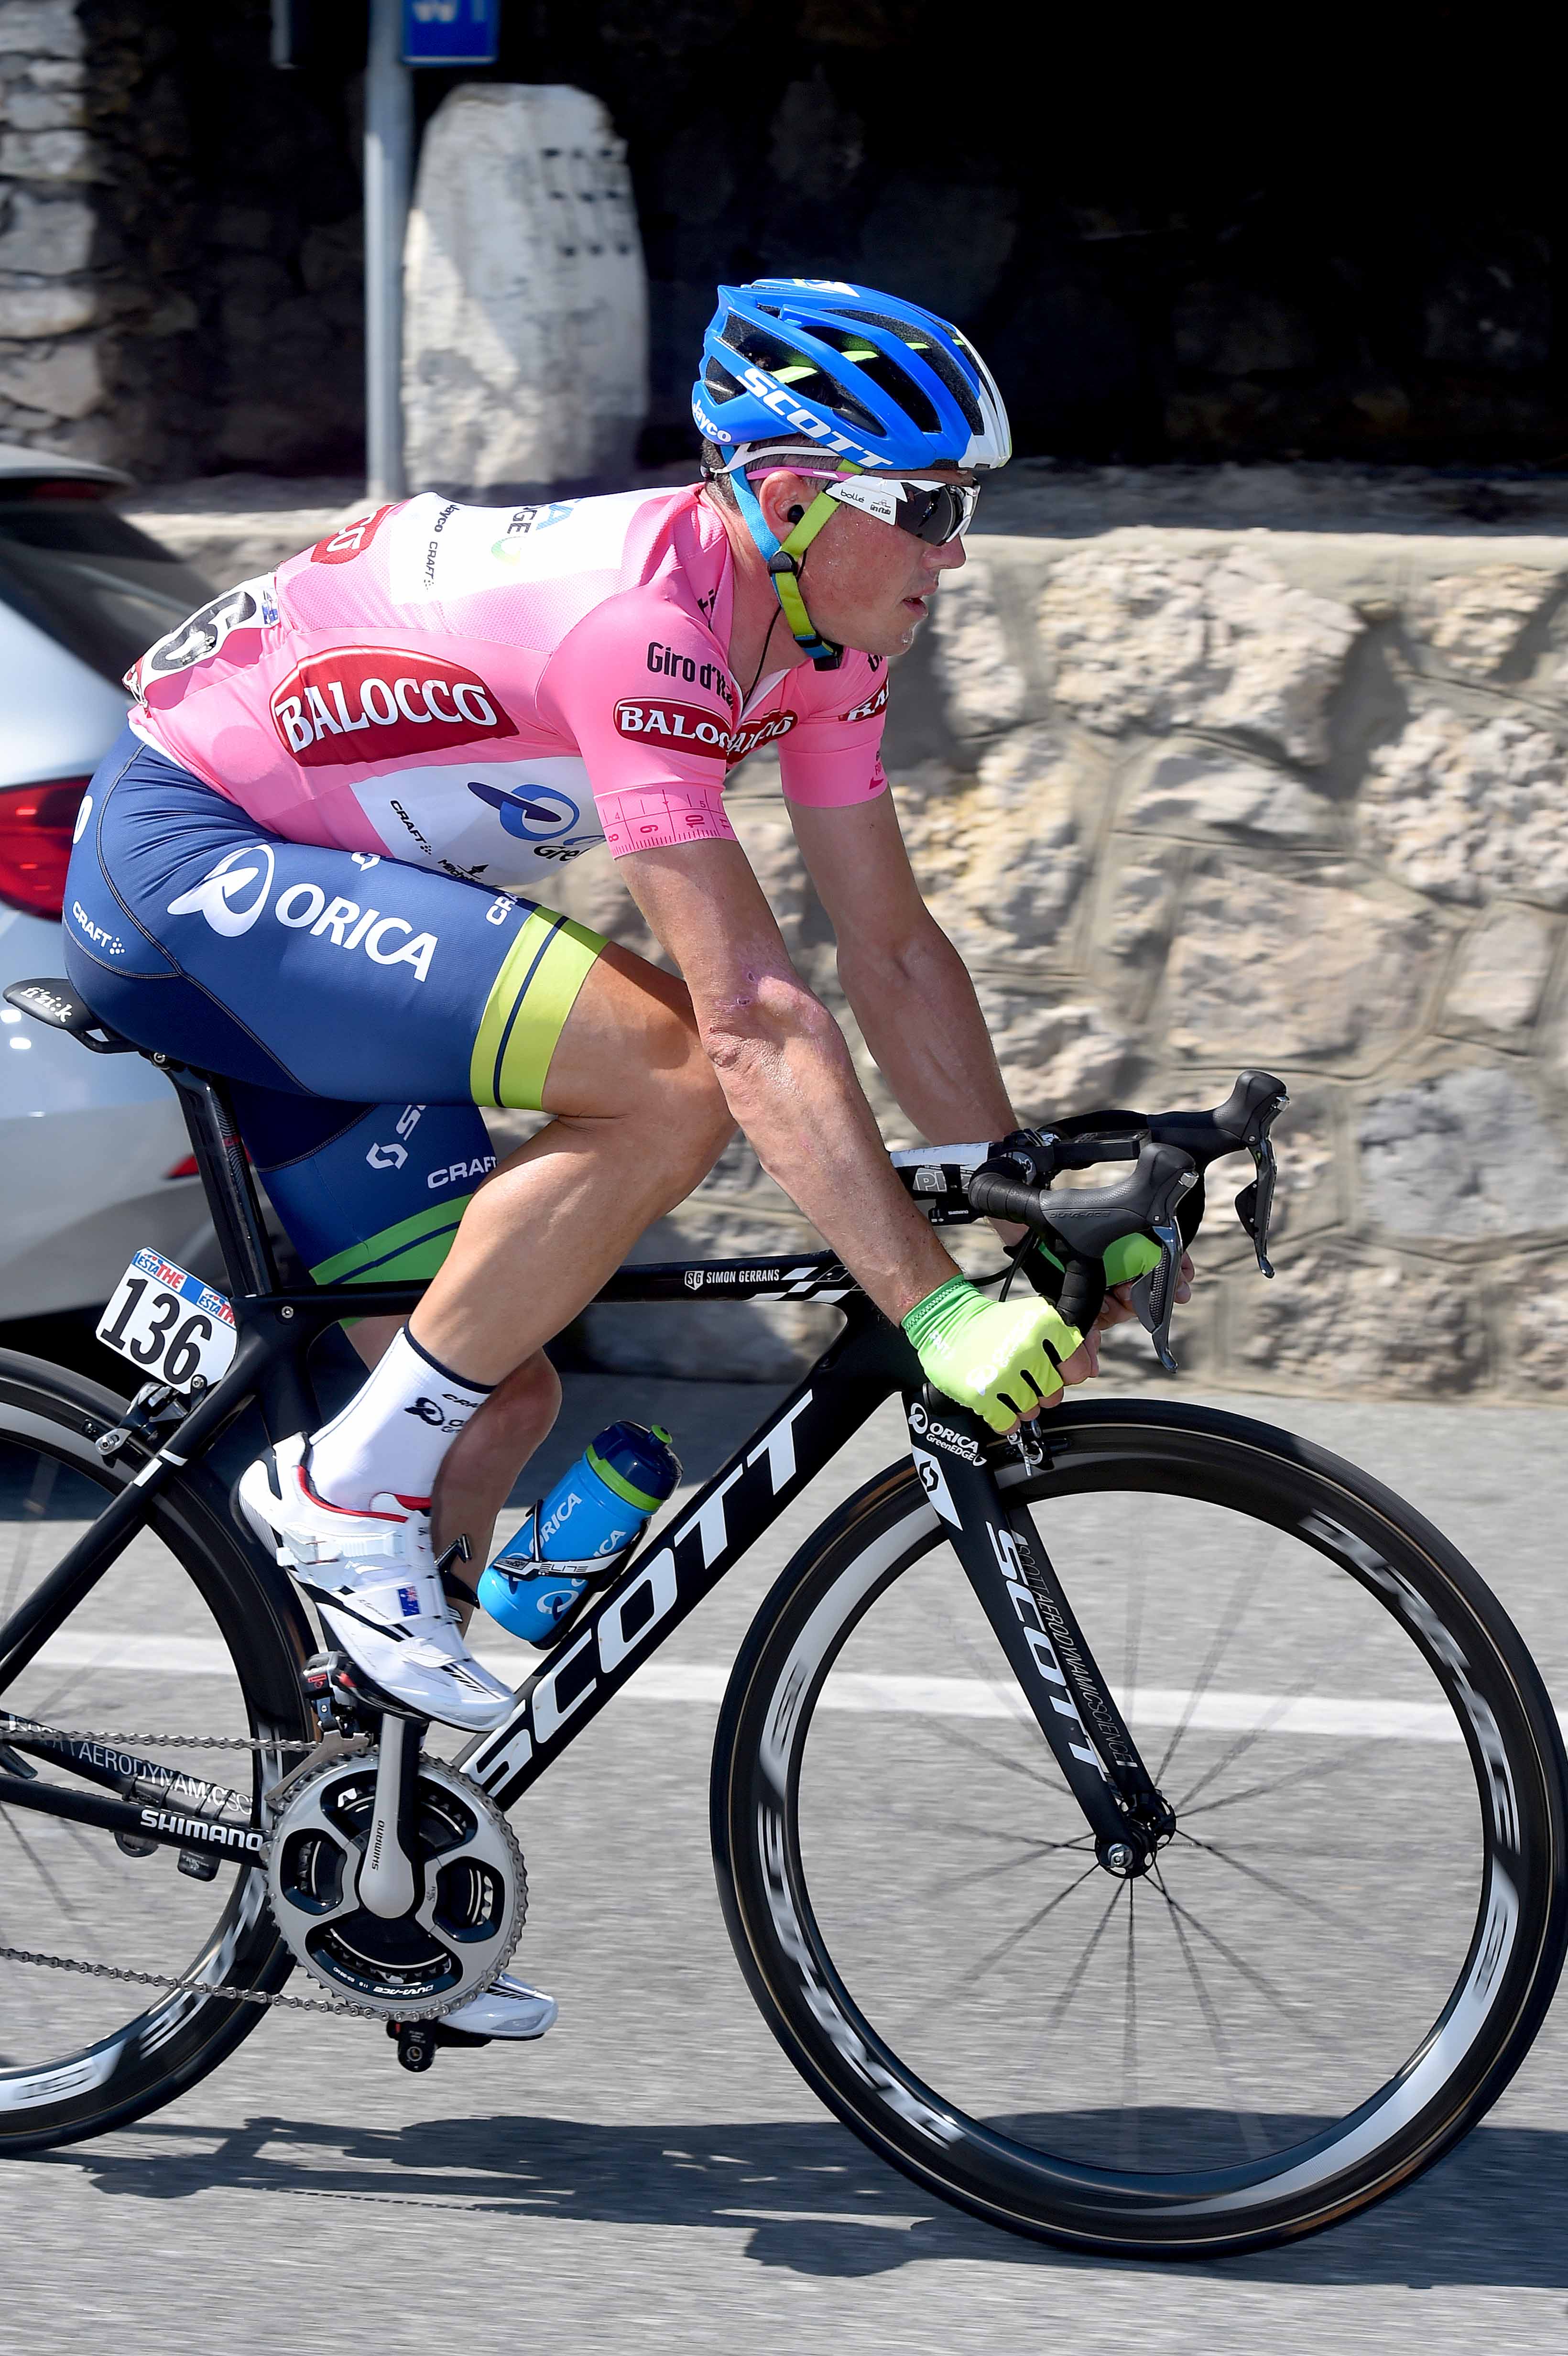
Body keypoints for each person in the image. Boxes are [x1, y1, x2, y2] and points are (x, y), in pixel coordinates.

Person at [63, 279, 1184, 2042]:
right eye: (931, 506)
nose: (955, 551)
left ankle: (363, 1858)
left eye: (967, 506)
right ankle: (338, 1490)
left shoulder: (821, 643)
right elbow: (749, 1022)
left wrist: (1004, 1194)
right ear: (797, 499)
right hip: (188, 861)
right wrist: (930, 1306)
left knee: (492, 1400)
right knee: (664, 1075)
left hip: (318, 885)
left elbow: (890, 950)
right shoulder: (642, 629)